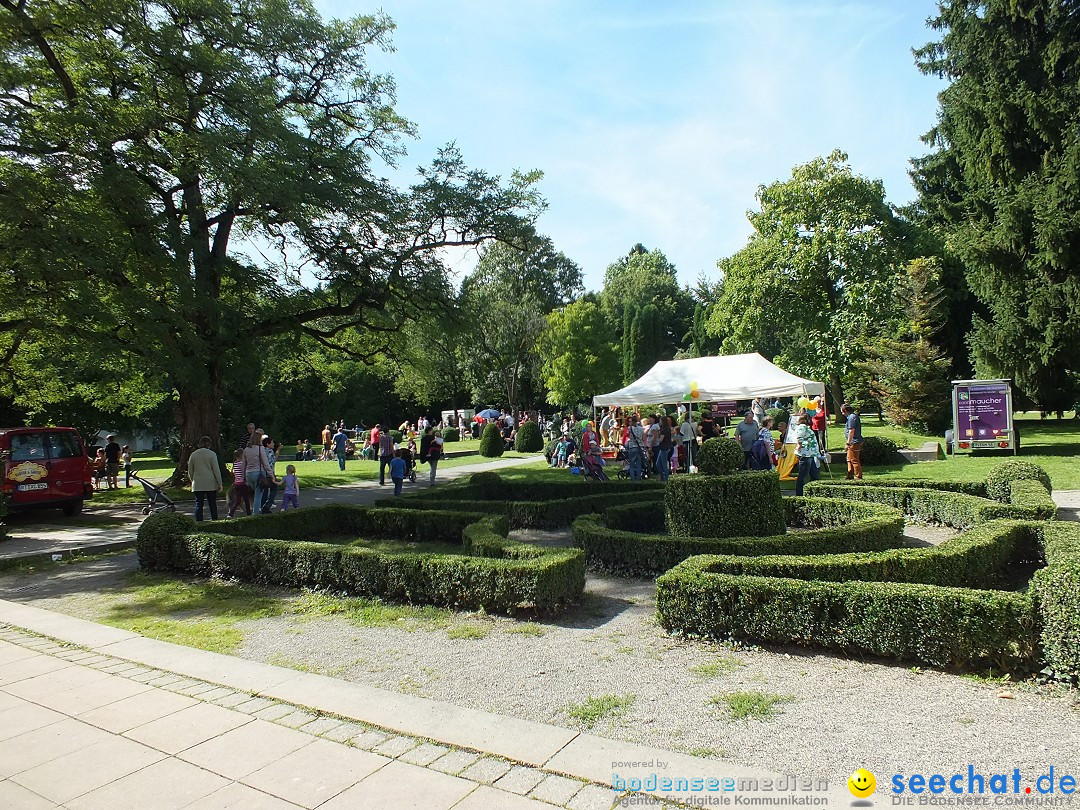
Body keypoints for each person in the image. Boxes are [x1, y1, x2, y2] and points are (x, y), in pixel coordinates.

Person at [187, 436, 223, 522]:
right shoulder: (212, 454)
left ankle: (199, 523)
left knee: (199, 504)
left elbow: (190, 470)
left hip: (198, 483)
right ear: (209, 444)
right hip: (210, 482)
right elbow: (216, 470)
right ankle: (215, 521)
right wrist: (220, 483)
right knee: (212, 504)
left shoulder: (194, 454)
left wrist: (193, 480)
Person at [243, 430, 273, 511]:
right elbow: (265, 463)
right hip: (258, 474)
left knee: (255, 493)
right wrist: (271, 474)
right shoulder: (260, 448)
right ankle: (255, 514)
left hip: (248, 474)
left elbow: (244, 464)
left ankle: (254, 510)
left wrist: (243, 477)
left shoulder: (246, 449)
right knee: (258, 495)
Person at [794, 413, 821, 496]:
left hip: (810, 454)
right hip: (805, 453)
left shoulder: (805, 427)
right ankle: (799, 493)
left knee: (814, 473)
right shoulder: (802, 427)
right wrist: (799, 445)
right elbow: (799, 437)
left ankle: (815, 491)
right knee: (803, 474)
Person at [227, 449, 252, 517]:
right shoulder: (242, 463)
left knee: (238, 500)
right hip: (243, 483)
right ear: (242, 455)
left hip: (237, 483)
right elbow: (244, 472)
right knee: (246, 499)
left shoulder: (235, 463)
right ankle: (249, 513)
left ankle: (231, 513)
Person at [842, 403, 863, 480]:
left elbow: (851, 431)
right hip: (852, 441)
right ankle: (850, 475)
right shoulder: (851, 417)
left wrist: (848, 443)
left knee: (854, 460)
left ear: (845, 411)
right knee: (849, 459)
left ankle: (858, 476)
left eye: (842, 411)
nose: (842, 413)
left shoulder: (852, 417)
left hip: (854, 442)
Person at [260, 436, 279, 513]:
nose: (273, 444)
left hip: (262, 472)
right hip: (269, 473)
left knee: (264, 489)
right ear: (268, 444)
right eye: (272, 442)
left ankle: (262, 505)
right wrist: (272, 475)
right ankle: (268, 505)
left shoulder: (262, 450)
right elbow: (271, 463)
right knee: (275, 488)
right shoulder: (270, 451)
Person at [626, 415, 647, 480]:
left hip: (632, 446)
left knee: (632, 464)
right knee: (639, 464)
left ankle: (632, 478)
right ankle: (638, 478)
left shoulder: (630, 428)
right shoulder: (641, 428)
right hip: (640, 446)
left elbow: (628, 435)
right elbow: (643, 438)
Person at [655, 415, 674, 482]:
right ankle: (663, 477)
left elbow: (661, 439)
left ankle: (666, 478)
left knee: (663, 463)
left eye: (660, 421)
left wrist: (657, 436)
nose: (659, 422)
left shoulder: (663, 429)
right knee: (659, 463)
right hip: (667, 446)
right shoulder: (668, 428)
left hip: (664, 447)